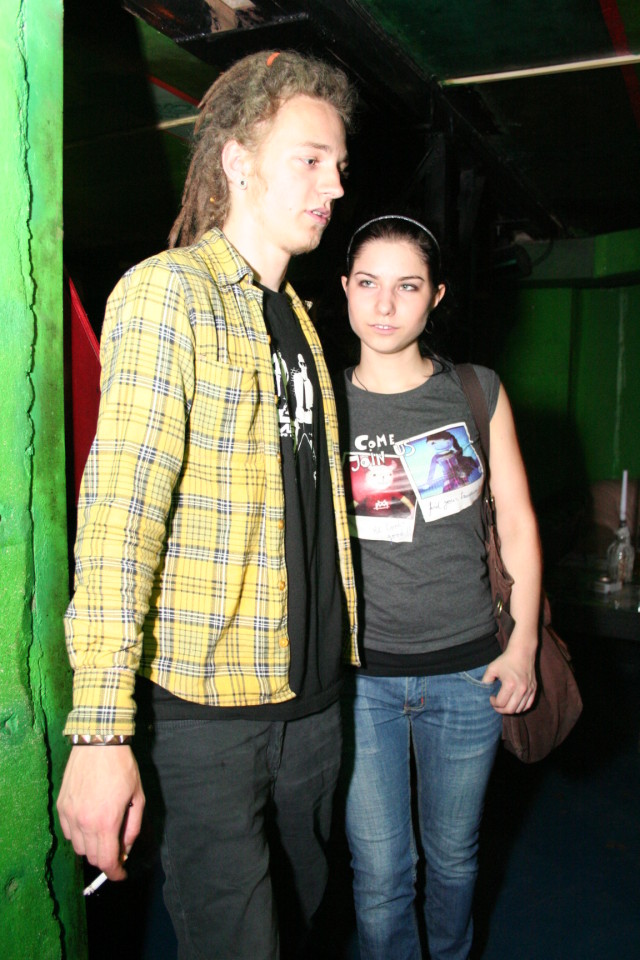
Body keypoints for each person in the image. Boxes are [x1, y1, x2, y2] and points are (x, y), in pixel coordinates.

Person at [56, 50, 359, 960]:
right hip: (209, 717)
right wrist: (101, 730)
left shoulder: (302, 321)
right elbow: (120, 517)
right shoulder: (169, 294)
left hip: (315, 703)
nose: (335, 186)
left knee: (303, 928)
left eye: (340, 165)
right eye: (311, 159)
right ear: (237, 160)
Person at [333, 214, 542, 960]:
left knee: (453, 860)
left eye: (408, 286)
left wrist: (522, 646)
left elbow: (516, 522)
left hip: (468, 671)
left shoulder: (476, 391)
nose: (385, 304)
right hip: (359, 680)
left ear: (437, 296)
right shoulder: (322, 405)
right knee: (381, 872)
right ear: (345, 289)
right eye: (368, 283)